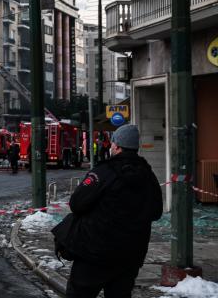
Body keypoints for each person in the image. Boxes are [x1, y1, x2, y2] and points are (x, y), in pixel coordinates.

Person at [54, 124, 163, 298]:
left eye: (113, 143)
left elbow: (77, 203)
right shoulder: (148, 176)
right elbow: (156, 212)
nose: (111, 146)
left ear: (117, 146)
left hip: (95, 254)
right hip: (130, 256)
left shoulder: (104, 172)